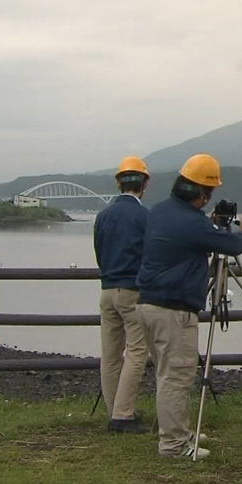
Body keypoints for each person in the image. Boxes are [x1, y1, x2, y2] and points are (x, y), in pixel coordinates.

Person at [136, 153, 242, 460]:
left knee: (166, 374)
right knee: (176, 377)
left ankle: (178, 431)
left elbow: (191, 235)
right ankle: (174, 445)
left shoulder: (160, 212)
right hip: (173, 311)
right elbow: (232, 245)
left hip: (147, 304)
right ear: (203, 194)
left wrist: (209, 225)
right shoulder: (193, 223)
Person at [93, 156, 151, 434]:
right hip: (133, 291)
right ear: (145, 183)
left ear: (118, 183)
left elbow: (99, 251)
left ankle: (114, 410)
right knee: (137, 352)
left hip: (107, 290)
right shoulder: (145, 217)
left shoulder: (103, 216)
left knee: (111, 355)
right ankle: (123, 415)